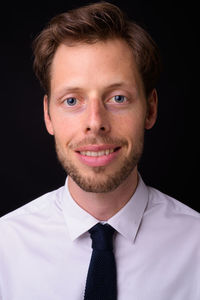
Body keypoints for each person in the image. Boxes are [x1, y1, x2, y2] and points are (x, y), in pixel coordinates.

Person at [0, 2, 199, 300]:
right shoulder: (5, 247)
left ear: (151, 108)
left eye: (118, 97)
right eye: (72, 101)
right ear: (47, 115)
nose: (95, 123)